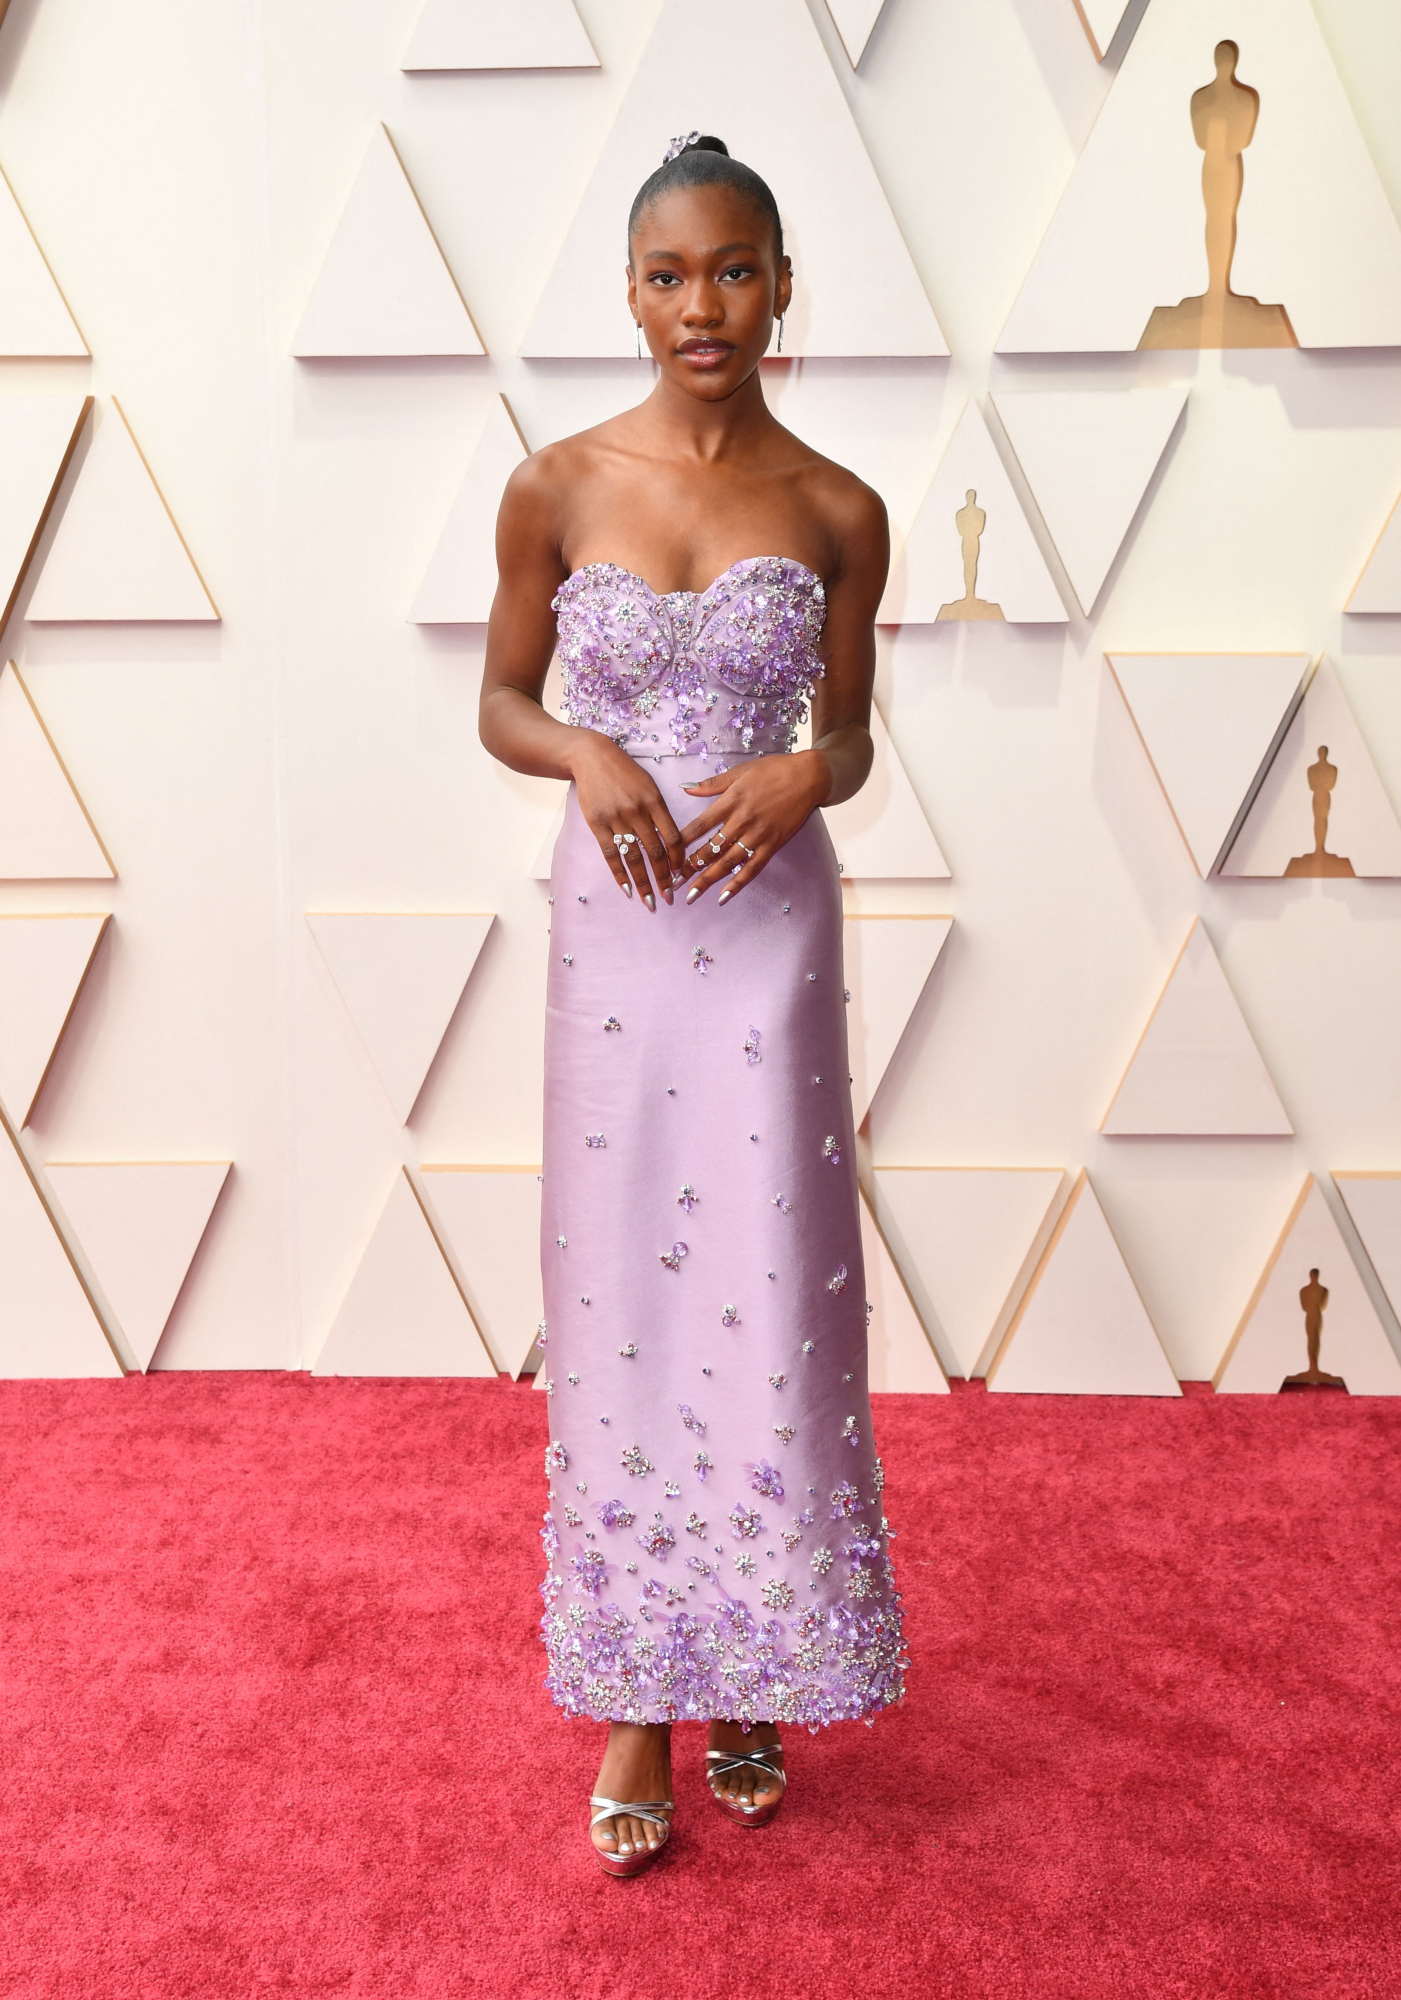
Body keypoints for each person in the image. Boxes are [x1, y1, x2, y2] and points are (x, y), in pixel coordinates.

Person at [480, 133, 904, 1879]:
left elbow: (851, 736)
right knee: (624, 1293)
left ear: (783, 284)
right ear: (630, 295)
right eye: (668, 276)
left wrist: (811, 770)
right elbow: (502, 701)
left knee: (768, 1284)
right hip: (620, 934)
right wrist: (580, 750)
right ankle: (639, 1699)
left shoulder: (838, 509)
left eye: (733, 270)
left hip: (767, 929)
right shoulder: (556, 483)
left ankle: (756, 1669)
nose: (702, 305)